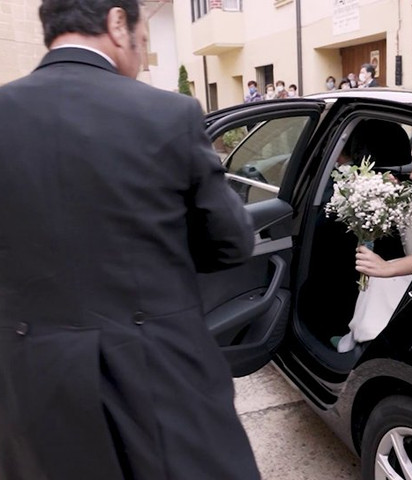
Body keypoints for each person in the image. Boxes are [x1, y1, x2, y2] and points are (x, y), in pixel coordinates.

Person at [0, 1, 261, 479]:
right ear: (118, 23)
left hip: (31, 383)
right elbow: (231, 243)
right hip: (157, 374)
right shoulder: (167, 113)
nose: (142, 51)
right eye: (143, 36)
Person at [332, 134, 412, 353]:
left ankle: (363, 341)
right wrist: (398, 196)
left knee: (378, 281)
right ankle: (358, 336)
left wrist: (387, 267)